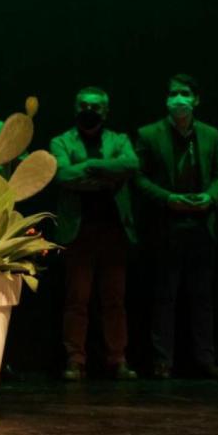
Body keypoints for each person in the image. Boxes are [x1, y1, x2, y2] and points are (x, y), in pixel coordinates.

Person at [134, 74, 218, 379]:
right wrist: (168, 198)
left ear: (196, 99)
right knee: (165, 296)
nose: (179, 99)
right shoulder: (148, 134)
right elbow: (139, 178)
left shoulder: (211, 134)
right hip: (166, 225)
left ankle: (205, 358)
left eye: (185, 93)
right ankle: (163, 361)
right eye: (173, 93)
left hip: (201, 224)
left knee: (202, 298)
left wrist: (210, 198)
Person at [50, 87, 139, 381]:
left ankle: (117, 359)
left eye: (96, 106)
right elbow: (62, 175)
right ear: (76, 107)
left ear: (105, 111)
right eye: (84, 105)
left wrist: (88, 168)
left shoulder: (119, 139)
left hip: (114, 233)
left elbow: (129, 164)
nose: (90, 110)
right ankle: (75, 360)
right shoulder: (61, 141)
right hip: (78, 233)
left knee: (115, 300)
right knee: (77, 300)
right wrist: (105, 176)